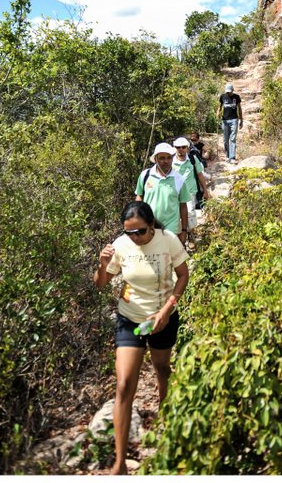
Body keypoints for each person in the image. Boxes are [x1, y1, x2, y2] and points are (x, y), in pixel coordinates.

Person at [94, 201, 189, 476]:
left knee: (162, 370)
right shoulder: (121, 245)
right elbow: (100, 284)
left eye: (140, 232)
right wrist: (101, 266)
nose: (134, 238)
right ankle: (120, 462)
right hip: (130, 319)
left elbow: (183, 275)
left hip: (163, 319)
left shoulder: (167, 240)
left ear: (152, 225)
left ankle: (167, 430)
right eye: (129, 233)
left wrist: (167, 308)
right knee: (123, 385)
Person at [136, 143, 191, 245]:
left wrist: (184, 231)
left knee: (169, 259)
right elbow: (139, 197)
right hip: (149, 227)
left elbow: (183, 206)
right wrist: (138, 220)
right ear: (156, 159)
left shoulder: (179, 179)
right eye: (162, 158)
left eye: (169, 158)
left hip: (171, 229)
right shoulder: (145, 175)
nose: (166, 161)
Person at [172, 137, 209, 233]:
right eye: (178, 147)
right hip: (175, 194)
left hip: (190, 193)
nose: (180, 149)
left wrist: (205, 191)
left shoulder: (193, 159)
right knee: (176, 215)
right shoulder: (171, 161)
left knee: (190, 214)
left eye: (183, 147)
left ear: (187, 148)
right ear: (175, 148)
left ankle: (191, 236)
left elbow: (200, 175)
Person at [218, 83, 243, 164]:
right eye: (227, 91)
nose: (229, 93)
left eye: (230, 91)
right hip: (225, 120)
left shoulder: (236, 97)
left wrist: (241, 120)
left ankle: (232, 157)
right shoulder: (223, 96)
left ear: (233, 90)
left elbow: (239, 108)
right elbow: (220, 106)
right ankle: (227, 156)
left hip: (234, 120)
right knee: (225, 140)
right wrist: (218, 113)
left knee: (232, 139)